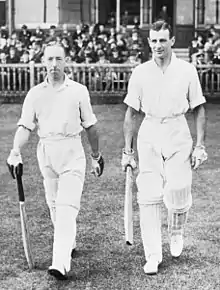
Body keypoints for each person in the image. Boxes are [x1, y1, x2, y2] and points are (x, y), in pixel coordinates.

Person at [6, 42, 104, 280]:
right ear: (43, 62)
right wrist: (15, 151)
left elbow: (90, 126)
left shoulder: (78, 91)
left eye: (58, 59)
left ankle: (60, 263)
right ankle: (68, 241)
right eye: (49, 59)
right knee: (53, 205)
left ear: (65, 61)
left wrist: (95, 156)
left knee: (66, 207)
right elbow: (24, 126)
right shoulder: (35, 94)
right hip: (46, 152)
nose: (53, 64)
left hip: (72, 151)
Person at [121, 20, 208, 275]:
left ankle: (177, 230)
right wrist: (128, 151)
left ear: (172, 41)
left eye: (163, 40)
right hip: (150, 131)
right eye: (154, 40)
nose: (158, 45)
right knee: (148, 194)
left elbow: (199, 108)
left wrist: (200, 145)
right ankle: (152, 255)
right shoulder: (140, 73)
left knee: (179, 189)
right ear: (149, 43)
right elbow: (131, 113)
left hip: (177, 130)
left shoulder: (187, 70)